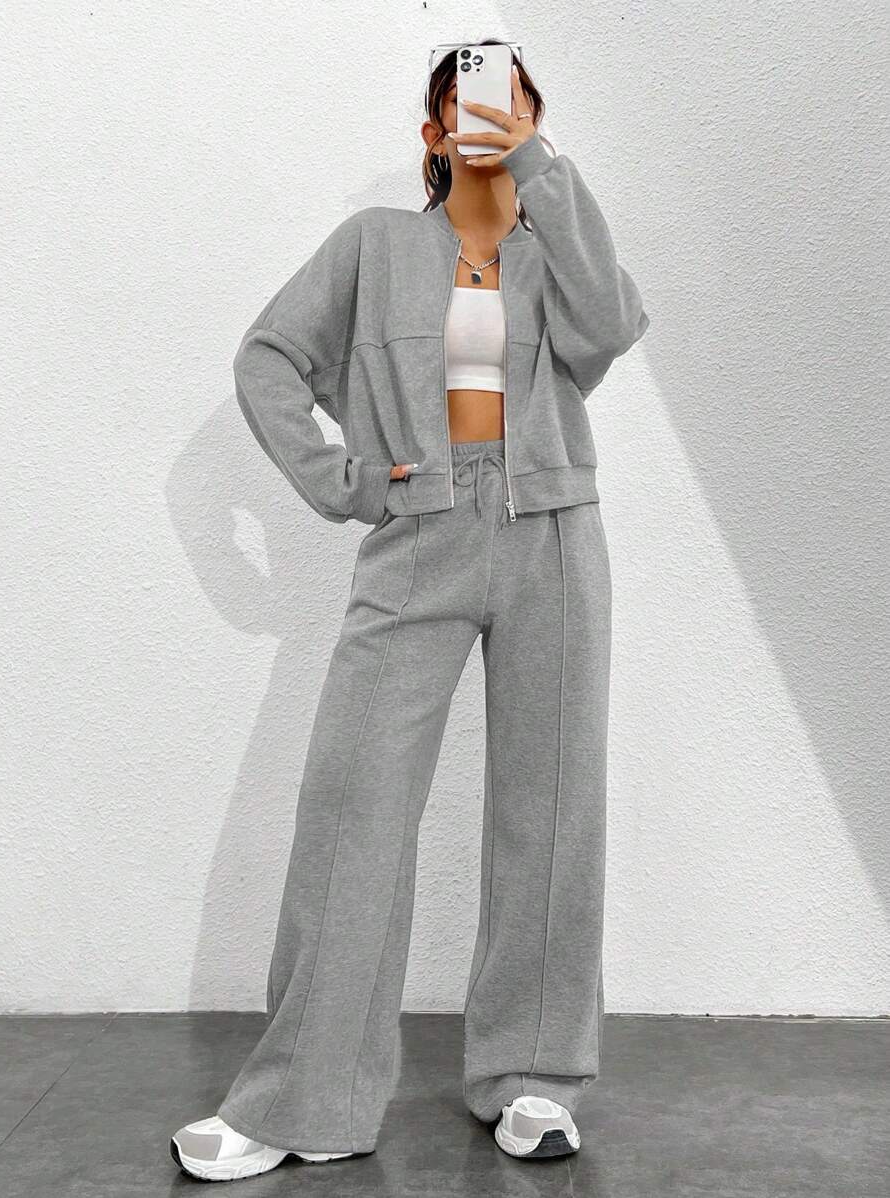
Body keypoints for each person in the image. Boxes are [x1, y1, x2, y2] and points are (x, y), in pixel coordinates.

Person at [170, 39, 649, 1182]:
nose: (489, 117)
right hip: (417, 534)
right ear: (432, 133)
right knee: (355, 806)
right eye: (466, 105)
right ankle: (307, 1097)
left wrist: (540, 169)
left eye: (512, 102)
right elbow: (268, 359)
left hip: (553, 538)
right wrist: (342, 482)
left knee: (551, 808)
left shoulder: (553, 249)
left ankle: (535, 1077)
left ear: (533, 119)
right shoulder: (374, 246)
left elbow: (612, 324)